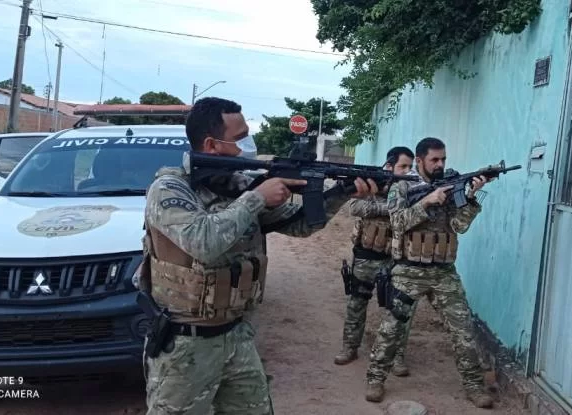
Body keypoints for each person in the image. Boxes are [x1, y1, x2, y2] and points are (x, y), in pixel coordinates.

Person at [140, 96, 376, 415]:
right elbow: (202, 241)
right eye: (240, 138)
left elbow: (300, 225)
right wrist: (256, 198)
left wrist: (341, 193)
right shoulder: (170, 189)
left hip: (237, 335)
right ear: (211, 144)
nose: (248, 144)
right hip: (185, 345)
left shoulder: (237, 185)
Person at [364, 137, 495, 408]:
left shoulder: (449, 185)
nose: (440, 164)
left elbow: (459, 226)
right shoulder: (402, 187)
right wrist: (427, 201)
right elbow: (398, 223)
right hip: (408, 270)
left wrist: (469, 198)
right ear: (420, 160)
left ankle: (474, 385)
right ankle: (375, 378)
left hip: (443, 272)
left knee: (463, 331)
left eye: (444, 159)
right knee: (391, 329)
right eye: (435, 159)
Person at [335, 146, 416, 378]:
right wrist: (391, 207)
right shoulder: (372, 185)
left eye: (410, 167)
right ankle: (349, 347)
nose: (407, 171)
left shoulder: (412, 190)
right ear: (389, 166)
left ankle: (397, 355)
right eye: (403, 166)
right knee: (357, 303)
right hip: (366, 255)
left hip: (395, 259)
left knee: (399, 310)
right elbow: (356, 207)